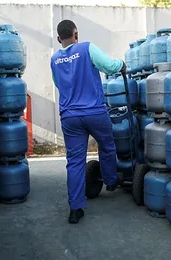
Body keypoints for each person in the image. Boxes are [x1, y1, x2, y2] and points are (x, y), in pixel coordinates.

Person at [50, 19, 126, 224]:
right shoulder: (86, 48)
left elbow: (58, 84)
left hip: (70, 116)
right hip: (94, 112)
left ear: (59, 39)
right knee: (107, 144)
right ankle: (110, 181)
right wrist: (121, 64)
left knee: (74, 162)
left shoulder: (54, 59)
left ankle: (75, 209)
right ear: (76, 35)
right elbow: (109, 66)